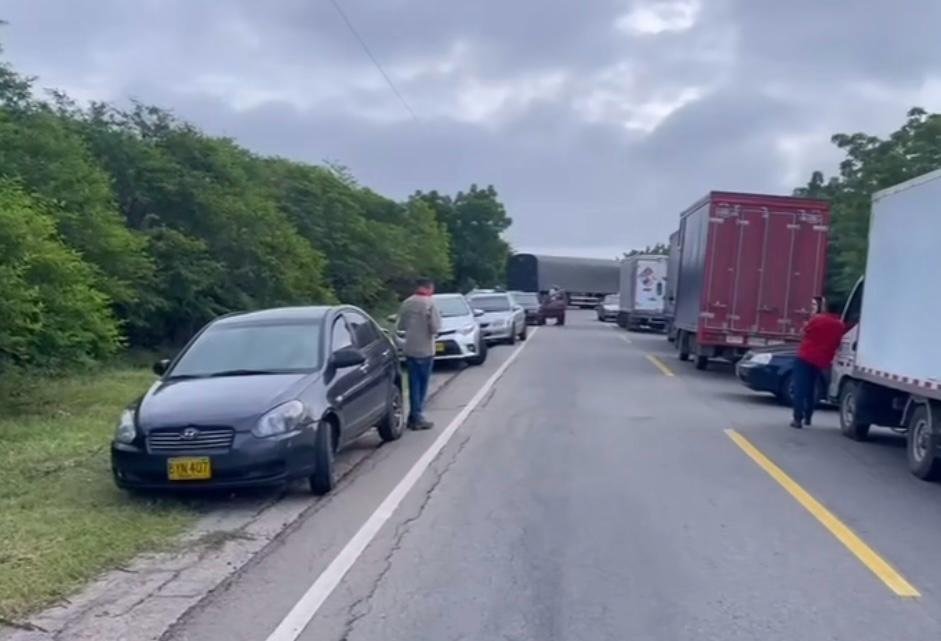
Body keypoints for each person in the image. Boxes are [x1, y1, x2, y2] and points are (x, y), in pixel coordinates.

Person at [791, 296, 845, 429]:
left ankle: (798, 419)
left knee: (800, 388)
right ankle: (808, 417)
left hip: (805, 356)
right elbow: (838, 343)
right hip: (821, 360)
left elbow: (803, 333)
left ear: (826, 307)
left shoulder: (817, 319)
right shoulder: (840, 325)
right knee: (811, 388)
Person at [397, 277, 441, 430]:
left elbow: (401, 325)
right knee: (422, 386)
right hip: (425, 349)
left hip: (410, 348)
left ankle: (412, 416)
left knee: (412, 383)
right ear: (428, 288)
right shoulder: (430, 304)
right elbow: (435, 328)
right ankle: (417, 416)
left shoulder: (407, 303)